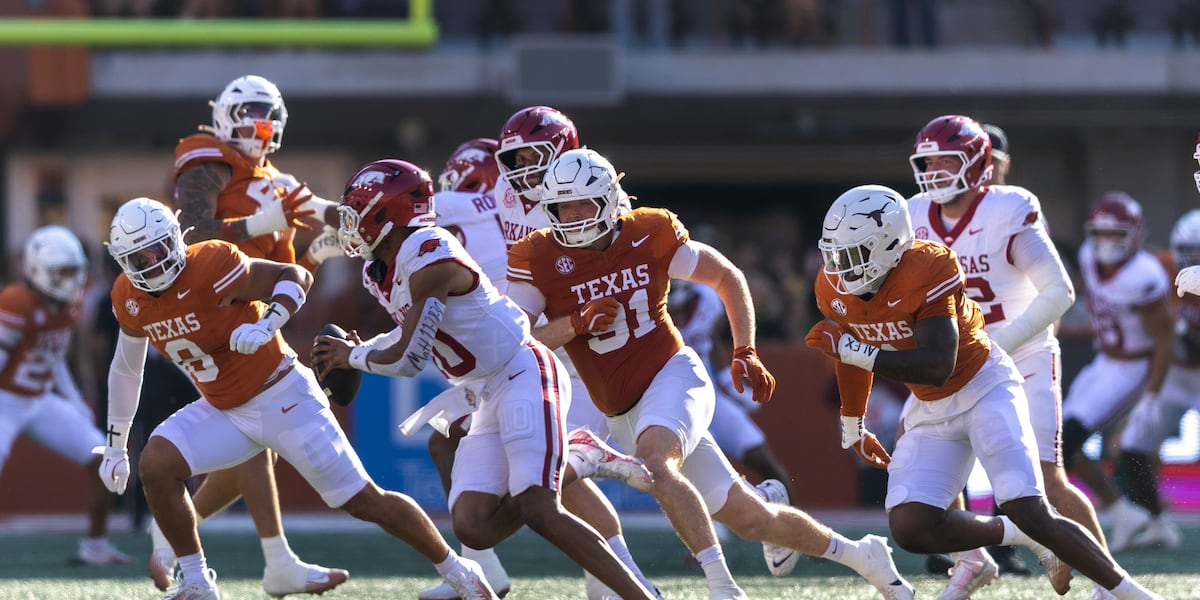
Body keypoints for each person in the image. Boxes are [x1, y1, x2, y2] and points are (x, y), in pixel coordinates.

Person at [507, 148, 914, 600]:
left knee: (656, 464)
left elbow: (726, 276)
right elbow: (521, 341)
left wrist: (745, 349)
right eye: (564, 206)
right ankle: (862, 555)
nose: (574, 216)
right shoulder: (536, 255)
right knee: (753, 518)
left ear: (609, 199)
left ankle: (723, 587)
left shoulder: (649, 231)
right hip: (618, 407)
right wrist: (578, 322)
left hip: (671, 373)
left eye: (584, 203)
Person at [97, 196, 498, 600]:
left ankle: (460, 572)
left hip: (281, 394)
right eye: (137, 257)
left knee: (364, 501)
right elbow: (126, 369)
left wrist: (268, 323)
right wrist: (115, 446)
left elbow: (294, 277)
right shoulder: (128, 297)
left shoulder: (211, 263)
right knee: (156, 463)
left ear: (176, 240)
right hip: (224, 409)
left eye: (158, 249)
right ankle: (198, 583)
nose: (151, 263)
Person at [308, 159, 657, 600]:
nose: (351, 225)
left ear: (387, 213)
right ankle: (578, 458)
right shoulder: (379, 269)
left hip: (521, 369)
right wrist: (363, 348)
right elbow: (411, 329)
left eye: (358, 212)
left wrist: (354, 355)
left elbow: (412, 356)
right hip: (481, 390)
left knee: (539, 508)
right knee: (474, 527)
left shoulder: (429, 250)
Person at [805, 183, 1160, 600]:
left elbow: (939, 364)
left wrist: (855, 350)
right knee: (911, 527)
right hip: (929, 404)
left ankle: (1135, 595)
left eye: (852, 254)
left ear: (889, 244)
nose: (840, 267)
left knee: (1030, 506)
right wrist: (853, 420)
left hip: (983, 385)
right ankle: (1017, 538)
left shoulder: (929, 265)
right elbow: (853, 356)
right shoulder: (831, 287)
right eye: (834, 254)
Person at [906, 115, 1108, 596]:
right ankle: (971, 560)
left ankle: (1107, 583)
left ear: (977, 164)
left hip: (1022, 350)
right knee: (923, 460)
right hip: (959, 359)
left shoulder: (1009, 208)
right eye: (927, 162)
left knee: (1045, 480)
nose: (934, 171)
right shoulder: (912, 214)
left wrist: (999, 344)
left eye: (945, 161)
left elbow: (1059, 291)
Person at [161, 74, 347, 596]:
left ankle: (173, 528)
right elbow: (191, 238)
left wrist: (333, 239)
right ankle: (271, 559)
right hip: (211, 315)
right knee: (254, 436)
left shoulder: (278, 181)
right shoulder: (209, 160)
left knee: (250, 442)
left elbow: (286, 269)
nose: (260, 128)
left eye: (269, 117)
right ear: (224, 116)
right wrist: (252, 223)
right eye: (250, 115)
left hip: (255, 320)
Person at [486, 107, 663, 600]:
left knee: (552, 473)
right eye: (514, 159)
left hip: (593, 351)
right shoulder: (505, 194)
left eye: (532, 157)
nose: (522, 171)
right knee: (547, 474)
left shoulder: (593, 196)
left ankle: (620, 581)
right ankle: (612, 582)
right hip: (542, 341)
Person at [0, 225, 132, 567]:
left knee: (104, 459)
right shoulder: (16, 302)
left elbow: (54, 356)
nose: (69, 278)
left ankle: (96, 546)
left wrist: (73, 399)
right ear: (37, 268)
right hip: (5, 401)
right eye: (61, 271)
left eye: (73, 270)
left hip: (40, 400)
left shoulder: (70, 302)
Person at [1060, 191, 1175, 554]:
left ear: (1135, 235)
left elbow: (1165, 339)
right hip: (1103, 360)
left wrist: (1152, 393)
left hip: (1132, 366)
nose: (1106, 243)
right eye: (1100, 234)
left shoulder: (1144, 275)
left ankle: (1124, 510)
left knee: (1075, 440)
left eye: (1116, 235)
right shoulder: (1086, 257)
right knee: (1059, 440)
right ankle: (1137, 517)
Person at [1100, 209, 1200, 552]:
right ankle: (1157, 523)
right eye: (1192, 251)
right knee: (1131, 444)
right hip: (1177, 374)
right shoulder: (1160, 267)